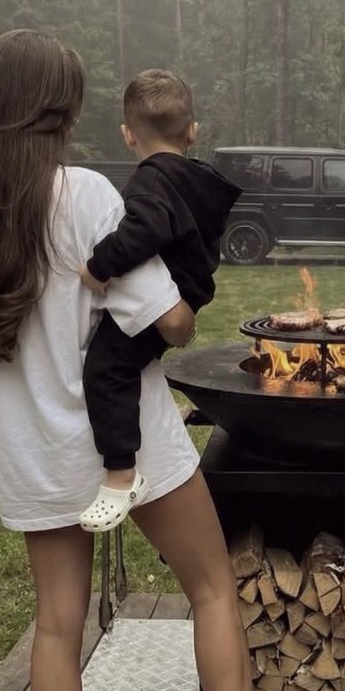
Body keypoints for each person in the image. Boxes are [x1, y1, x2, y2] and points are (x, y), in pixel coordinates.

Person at [0, 30, 311, 691]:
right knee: (211, 587)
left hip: (31, 458)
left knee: (56, 626)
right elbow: (167, 322)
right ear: (51, 114)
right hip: (127, 451)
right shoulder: (83, 196)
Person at [77, 69, 240, 533]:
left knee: (107, 369)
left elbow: (144, 231)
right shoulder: (199, 181)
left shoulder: (151, 181)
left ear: (128, 135)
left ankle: (121, 473)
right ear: (193, 132)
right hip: (190, 295)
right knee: (132, 367)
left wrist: (98, 266)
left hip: (161, 301)